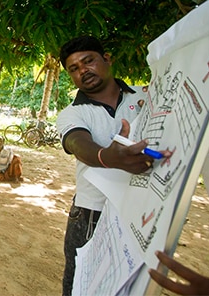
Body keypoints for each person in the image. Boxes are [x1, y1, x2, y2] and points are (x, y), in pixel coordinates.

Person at [55, 35, 171, 296]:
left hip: (146, 211)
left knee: (132, 285)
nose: (83, 70)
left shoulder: (148, 96)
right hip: (90, 214)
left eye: (89, 61)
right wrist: (108, 157)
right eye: (74, 68)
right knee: (80, 286)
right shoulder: (73, 113)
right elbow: (76, 142)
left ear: (106, 59)